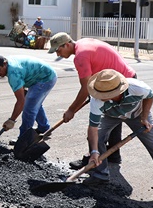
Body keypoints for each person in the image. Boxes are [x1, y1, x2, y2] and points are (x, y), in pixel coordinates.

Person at [83, 69, 153, 208]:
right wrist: (94, 152)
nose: (101, 97)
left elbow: (150, 96)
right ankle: (100, 174)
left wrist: (144, 117)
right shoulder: (97, 100)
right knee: (97, 138)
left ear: (118, 91)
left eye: (106, 95)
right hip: (112, 115)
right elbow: (93, 128)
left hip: (137, 114)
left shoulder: (137, 88)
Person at [48, 32, 136, 169]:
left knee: (99, 124)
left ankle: (93, 158)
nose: (58, 55)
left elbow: (85, 88)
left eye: (58, 50)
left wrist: (71, 110)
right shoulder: (83, 43)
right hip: (126, 77)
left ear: (66, 45)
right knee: (114, 117)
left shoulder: (80, 56)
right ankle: (113, 154)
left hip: (118, 84)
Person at [0, 54, 57, 138]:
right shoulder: (9, 65)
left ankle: (24, 139)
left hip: (45, 78)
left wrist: (11, 120)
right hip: (39, 76)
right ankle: (44, 128)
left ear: (4, 64)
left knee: (29, 108)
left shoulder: (13, 73)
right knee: (33, 102)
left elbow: (21, 101)